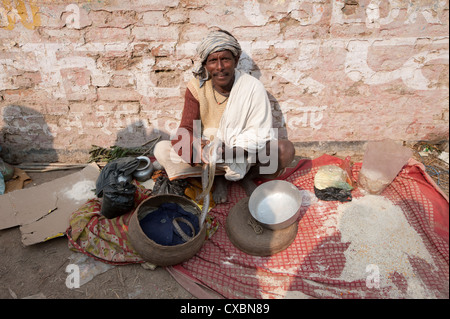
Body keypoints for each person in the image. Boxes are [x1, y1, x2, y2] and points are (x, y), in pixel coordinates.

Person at [153, 29, 295, 203]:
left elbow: (260, 134)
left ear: (235, 60)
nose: (220, 67)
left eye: (225, 59)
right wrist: (196, 146)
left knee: (284, 150)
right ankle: (219, 178)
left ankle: (246, 177)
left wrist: (229, 152)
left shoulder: (252, 87)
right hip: (208, 154)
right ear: (205, 64)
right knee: (161, 149)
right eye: (213, 61)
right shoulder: (196, 88)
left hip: (241, 153)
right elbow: (186, 129)